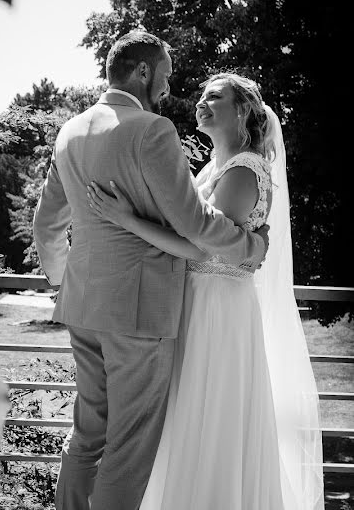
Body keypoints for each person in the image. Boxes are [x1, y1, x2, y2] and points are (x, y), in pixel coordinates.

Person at [32, 31, 269, 510]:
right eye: (165, 73)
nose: (168, 85)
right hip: (139, 313)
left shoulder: (70, 130)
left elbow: (46, 223)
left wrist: (61, 280)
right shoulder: (151, 130)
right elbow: (195, 223)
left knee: (87, 436)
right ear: (143, 71)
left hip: (82, 305)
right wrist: (248, 245)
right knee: (128, 447)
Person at [88, 72, 323, 509]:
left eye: (215, 97)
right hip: (197, 301)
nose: (201, 102)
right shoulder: (213, 168)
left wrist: (127, 220)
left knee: (211, 415)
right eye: (201, 95)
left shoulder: (244, 169)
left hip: (218, 308)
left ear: (242, 112)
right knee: (188, 414)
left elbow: (202, 243)